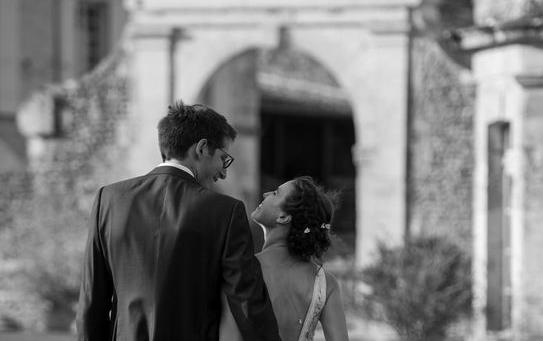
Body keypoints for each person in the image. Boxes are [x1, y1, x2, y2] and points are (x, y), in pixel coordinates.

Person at [76, 101, 281, 341]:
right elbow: (248, 304)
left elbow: (92, 303)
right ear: (202, 148)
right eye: (224, 159)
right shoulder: (226, 211)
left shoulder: (108, 200)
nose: (223, 172)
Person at [251, 176, 350, 341]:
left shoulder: (245, 268)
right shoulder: (325, 284)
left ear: (283, 217)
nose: (265, 194)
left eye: (275, 193)